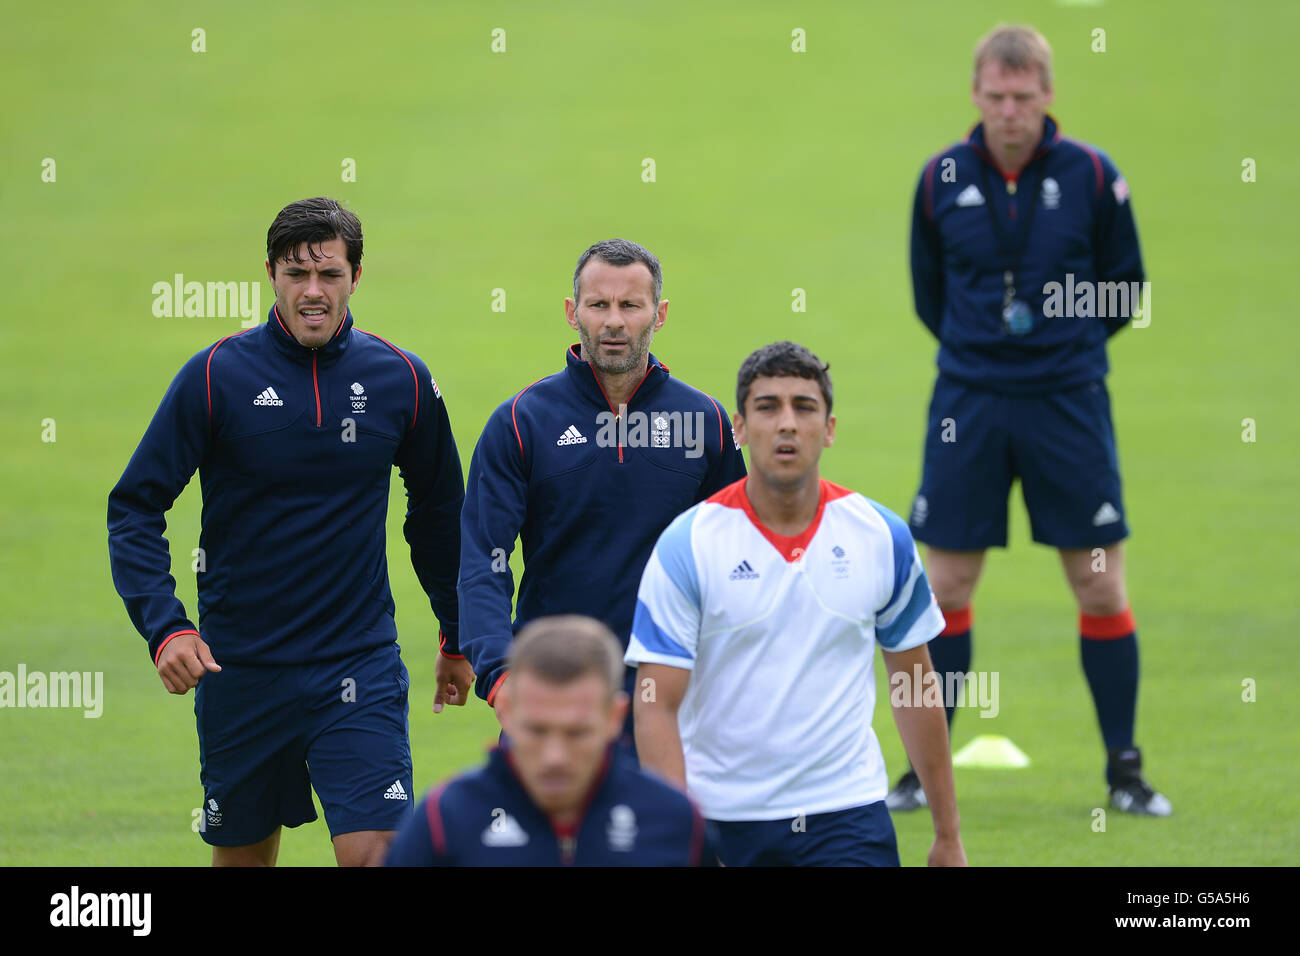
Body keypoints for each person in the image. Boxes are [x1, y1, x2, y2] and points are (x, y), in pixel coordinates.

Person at [107, 197, 471, 866]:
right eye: (295, 273)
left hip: (357, 666)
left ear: (356, 278)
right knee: (245, 860)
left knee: (378, 855)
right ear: (270, 273)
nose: (312, 292)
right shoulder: (215, 376)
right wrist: (166, 626)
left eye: (328, 274)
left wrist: (456, 631)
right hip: (240, 671)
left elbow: (441, 514)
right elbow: (134, 507)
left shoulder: (401, 380)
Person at [897, 24, 1169, 816]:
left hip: (1067, 403)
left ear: (1048, 95)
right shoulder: (939, 178)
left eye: (1023, 97)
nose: (1009, 111)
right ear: (976, 95)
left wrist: (1062, 343)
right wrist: (983, 347)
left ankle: (1124, 771)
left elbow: (1125, 286)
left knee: (1097, 585)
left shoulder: (1092, 175)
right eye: (995, 97)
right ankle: (923, 773)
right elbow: (929, 292)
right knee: (944, 584)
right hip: (970, 403)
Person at [627, 342, 966, 867]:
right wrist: (681, 840)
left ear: (828, 428)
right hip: (723, 821)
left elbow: (917, 688)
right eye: (767, 407)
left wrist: (948, 834)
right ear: (739, 428)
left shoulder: (880, 536)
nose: (787, 424)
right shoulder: (688, 544)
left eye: (804, 407)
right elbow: (655, 704)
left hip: (847, 816)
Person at [457, 238, 747, 746]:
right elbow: (485, 562)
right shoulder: (522, 422)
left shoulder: (705, 423)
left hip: (676, 699)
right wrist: (501, 678)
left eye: (630, 305)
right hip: (552, 696)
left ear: (659, 315)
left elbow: (740, 560)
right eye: (599, 305)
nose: (614, 321)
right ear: (573, 312)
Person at [385, 615, 715, 866]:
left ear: (614, 718)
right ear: (509, 713)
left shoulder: (674, 822)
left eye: (577, 733)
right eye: (537, 730)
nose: (555, 757)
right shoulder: (445, 821)